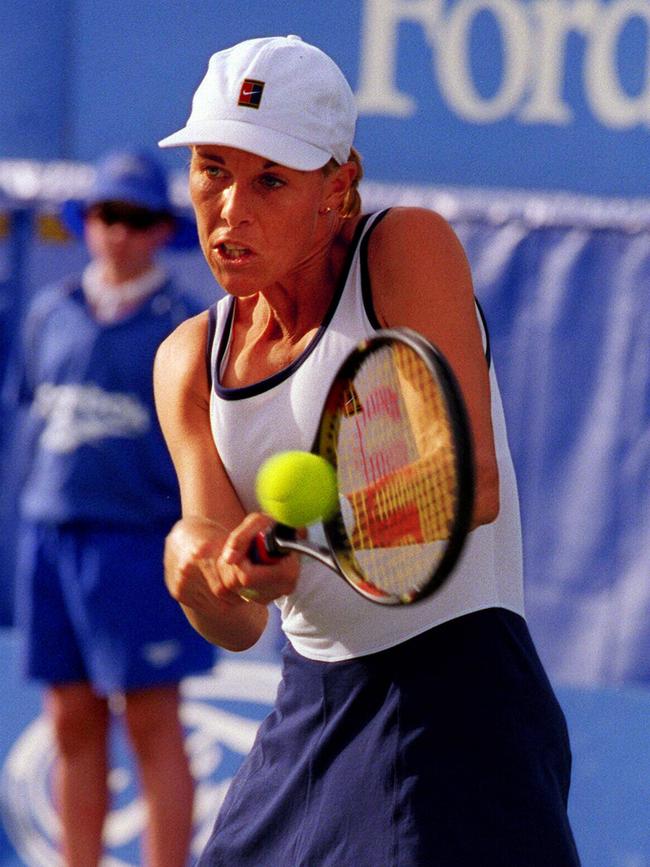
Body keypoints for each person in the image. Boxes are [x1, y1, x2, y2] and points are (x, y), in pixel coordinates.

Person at [155, 35, 581, 866]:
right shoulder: (185, 361)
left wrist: (302, 542)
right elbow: (238, 623)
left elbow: (468, 480)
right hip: (310, 707)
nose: (231, 208)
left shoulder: (403, 248)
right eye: (212, 168)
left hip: (457, 703)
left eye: (270, 178)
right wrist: (200, 570)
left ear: (339, 187)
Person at [12, 148, 215, 867]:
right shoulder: (50, 314)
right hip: (52, 537)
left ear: (162, 229)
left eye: (135, 217)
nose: (118, 232)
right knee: (69, 717)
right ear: (85, 223)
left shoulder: (183, 327)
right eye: (105, 214)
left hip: (138, 545)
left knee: (154, 720)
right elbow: (29, 422)